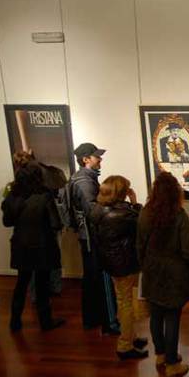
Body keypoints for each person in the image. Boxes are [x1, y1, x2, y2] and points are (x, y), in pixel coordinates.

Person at [137, 172, 189, 377]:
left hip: (152, 271)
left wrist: (145, 265)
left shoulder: (145, 213)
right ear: (175, 192)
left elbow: (140, 245)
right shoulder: (179, 215)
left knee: (155, 315)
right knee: (172, 317)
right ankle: (172, 363)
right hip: (174, 273)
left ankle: (161, 354)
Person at [90, 175, 149, 360]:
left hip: (112, 261)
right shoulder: (122, 215)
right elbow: (143, 222)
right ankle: (125, 345)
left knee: (125, 300)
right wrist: (135, 202)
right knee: (126, 303)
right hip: (124, 263)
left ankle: (130, 336)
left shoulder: (98, 210)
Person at [1, 163, 66, 332]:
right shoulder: (44, 196)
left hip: (21, 245)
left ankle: (15, 321)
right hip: (42, 246)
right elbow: (56, 223)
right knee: (42, 285)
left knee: (21, 283)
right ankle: (45, 321)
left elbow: (7, 222)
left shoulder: (12, 196)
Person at [70, 142, 119, 335]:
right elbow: (93, 212)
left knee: (91, 279)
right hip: (92, 239)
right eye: (96, 156)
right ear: (86, 159)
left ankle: (93, 320)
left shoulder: (82, 178)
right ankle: (110, 323)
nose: (100, 159)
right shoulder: (85, 182)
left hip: (88, 237)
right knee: (101, 279)